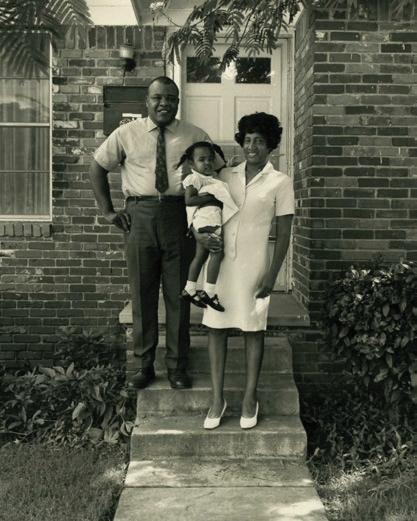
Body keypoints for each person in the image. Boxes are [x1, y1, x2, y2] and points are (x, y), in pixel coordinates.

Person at [89, 76, 222, 390]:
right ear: (146, 101)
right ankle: (144, 365)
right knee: (142, 293)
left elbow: (216, 173)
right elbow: (97, 167)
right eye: (157, 98)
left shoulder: (195, 135)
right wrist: (108, 212)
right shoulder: (126, 133)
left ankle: (177, 366)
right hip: (140, 216)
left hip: (179, 215)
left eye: (170, 98)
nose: (164, 103)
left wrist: (207, 215)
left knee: (179, 293)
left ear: (178, 102)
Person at [195, 112, 295, 430]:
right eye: (248, 139)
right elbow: (200, 209)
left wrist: (272, 275)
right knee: (216, 327)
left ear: (271, 145)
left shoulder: (280, 182)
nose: (252, 146)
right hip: (220, 265)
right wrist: (200, 235)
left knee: (253, 328)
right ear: (241, 141)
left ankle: (250, 397)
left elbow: (284, 234)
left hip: (254, 265)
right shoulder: (225, 175)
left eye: (260, 141)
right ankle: (217, 399)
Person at [179, 141, 239, 312]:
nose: (207, 163)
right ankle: (209, 292)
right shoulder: (194, 178)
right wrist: (213, 197)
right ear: (192, 164)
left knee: (201, 255)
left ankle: (189, 289)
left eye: (210, 159)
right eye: (202, 159)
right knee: (217, 253)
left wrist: (229, 167)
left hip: (208, 219)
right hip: (206, 220)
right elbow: (189, 200)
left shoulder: (209, 178)